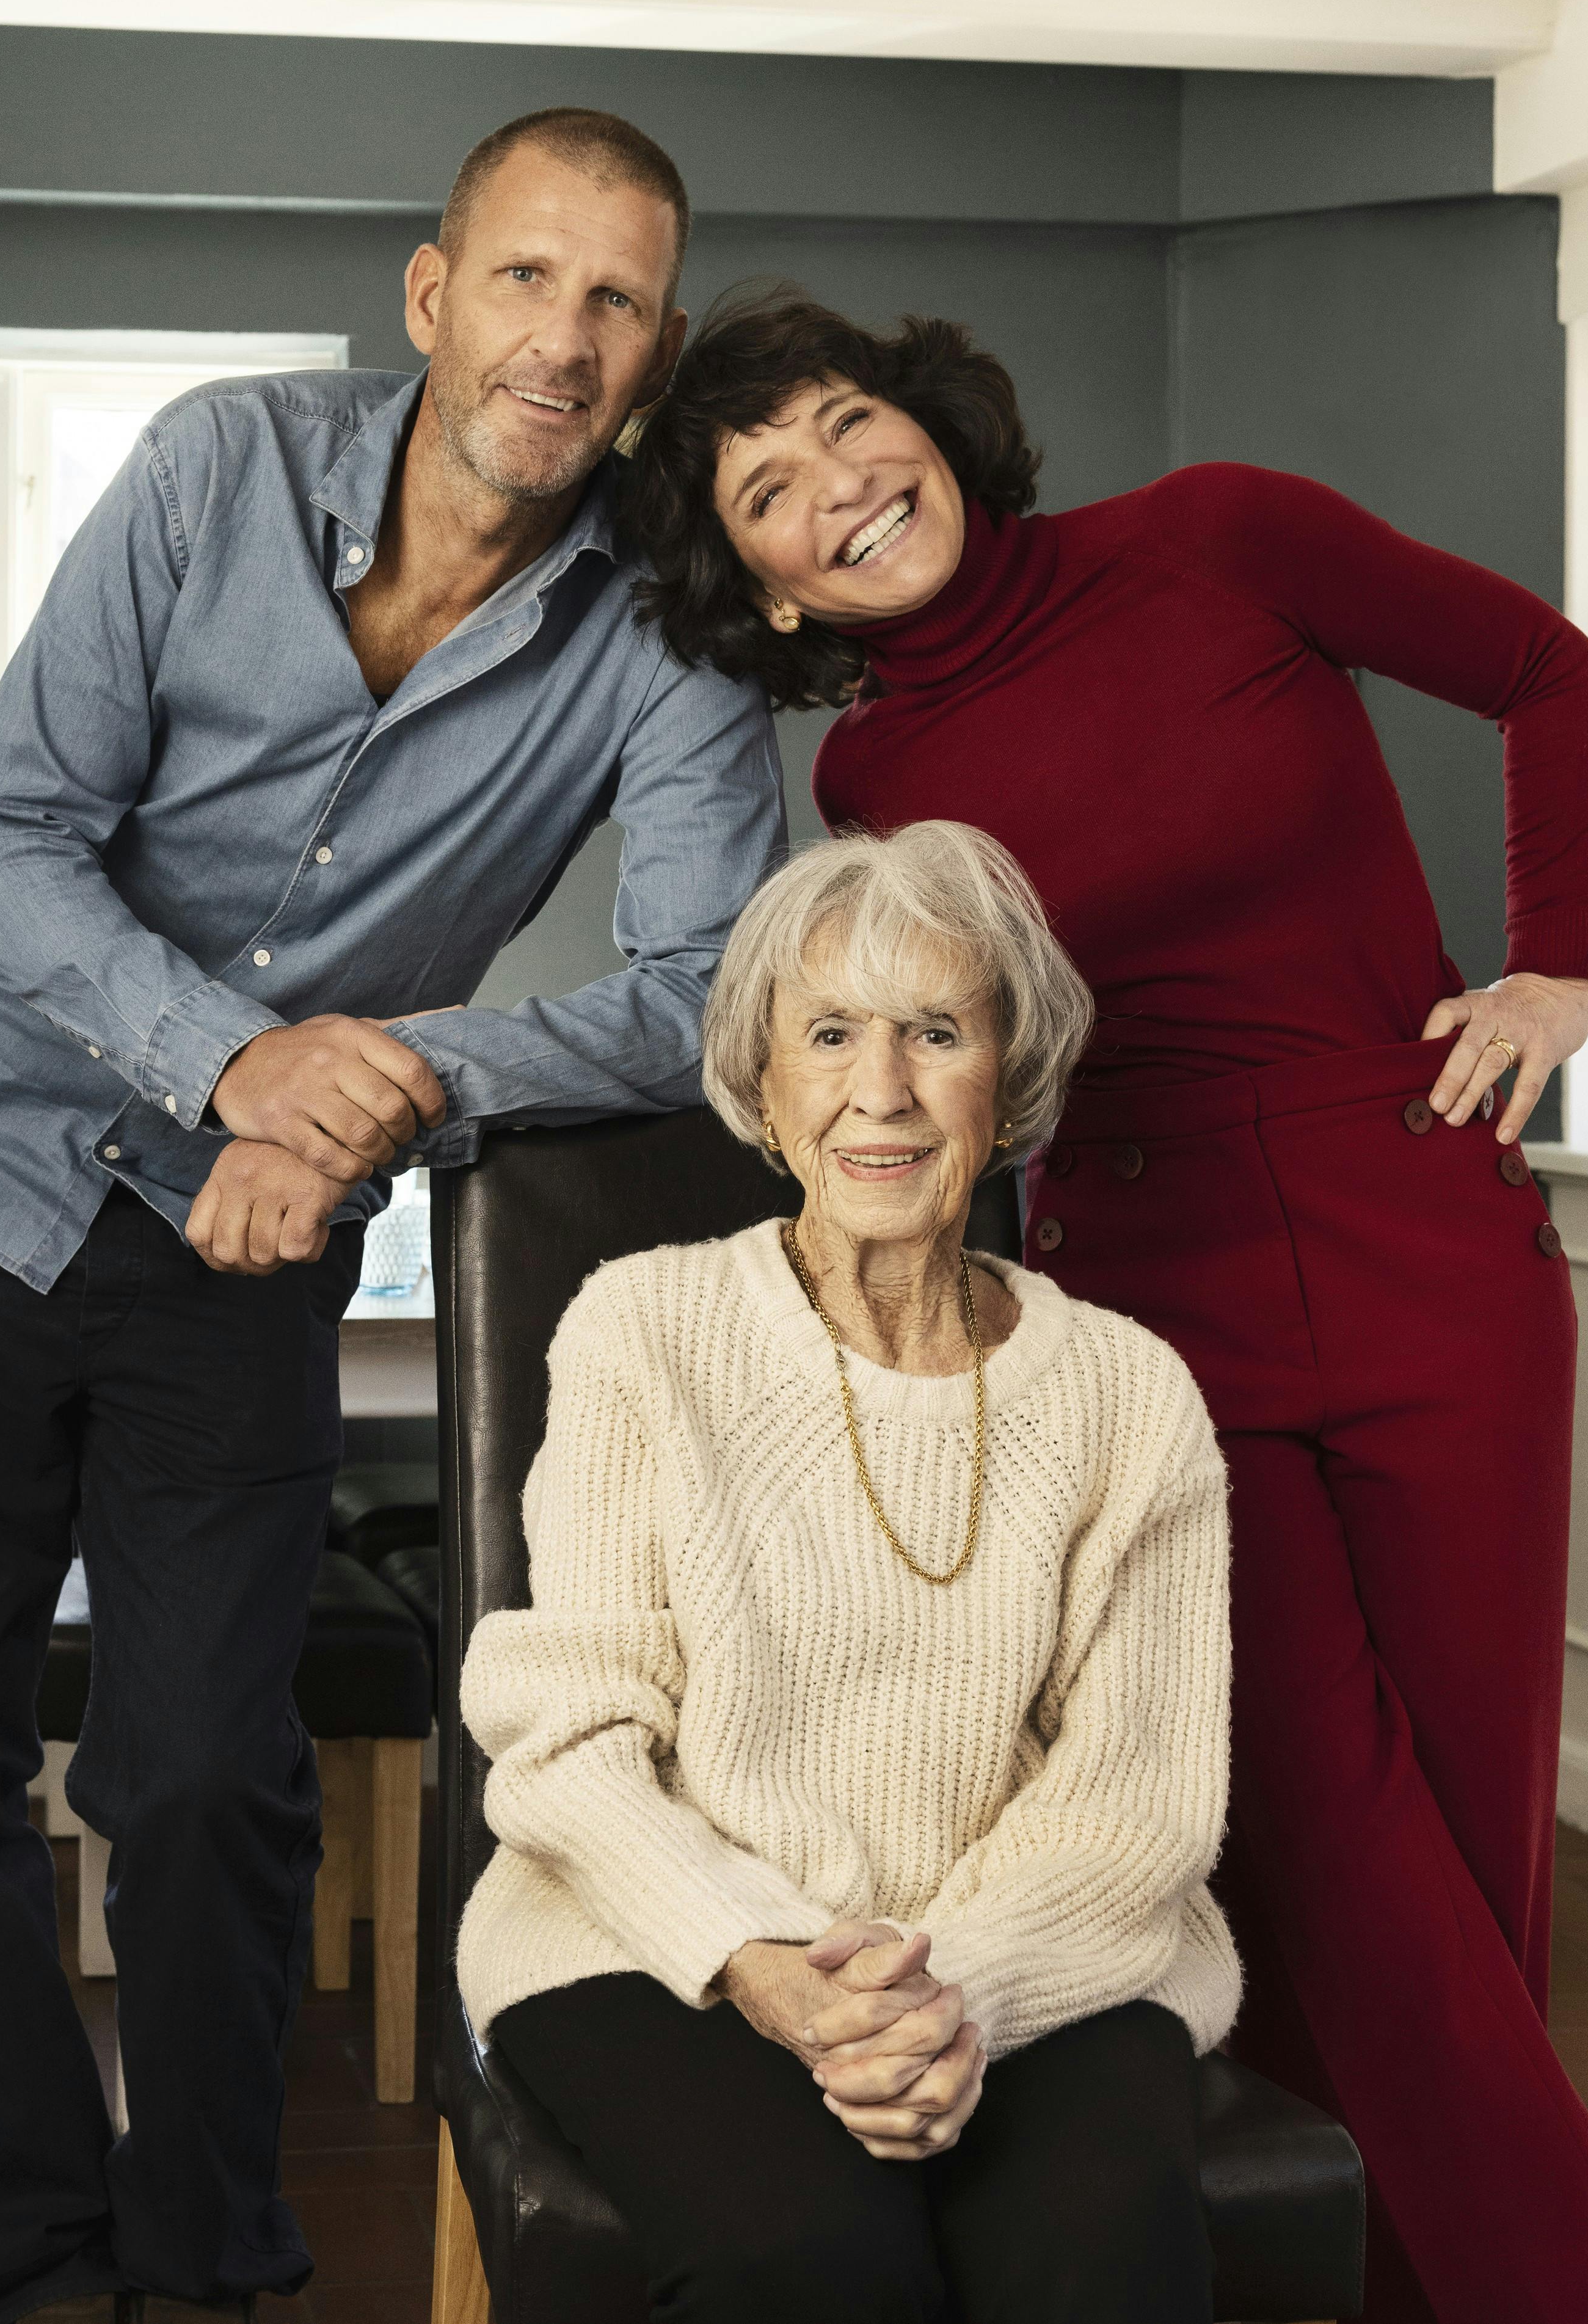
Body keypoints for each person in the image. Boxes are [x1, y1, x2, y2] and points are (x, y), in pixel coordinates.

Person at [617, 291, 1588, 2322]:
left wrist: (1563, 960)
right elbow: (935, 1076)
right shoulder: (875, 773)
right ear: (757, 586)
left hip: (1424, 1228)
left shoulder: (1223, 533)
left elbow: (1541, 670)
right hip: (1148, 1293)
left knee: (1467, 1856)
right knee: (1313, 1826)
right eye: (773, 489)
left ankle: (1374, 2285)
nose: (841, 485)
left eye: (850, 425)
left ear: (925, 418)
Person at [0, 111, 783, 2324]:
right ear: (431, 298)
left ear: (661, 347)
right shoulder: (214, 468)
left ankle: (212, 2260)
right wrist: (235, 1056)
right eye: (526, 280)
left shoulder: (671, 628)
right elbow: (2, 842)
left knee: (210, 1780)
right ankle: (33, 2254)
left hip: (238, 1243)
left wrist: (378, 1092)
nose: (565, 338)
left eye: (617, 300)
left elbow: (711, 996)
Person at [459, 822, 1237, 2324]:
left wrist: (954, 1999)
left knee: (1097, 2252)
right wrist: (759, 1958)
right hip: (651, 1930)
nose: (880, 1090)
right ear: (766, 1080)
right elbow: (572, 1740)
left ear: (1005, 1082)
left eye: (935, 1033)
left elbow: (1138, 1795)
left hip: (1034, 1945)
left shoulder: (1131, 1393)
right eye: (831, 1035)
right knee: (809, 2259)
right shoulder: (645, 1329)